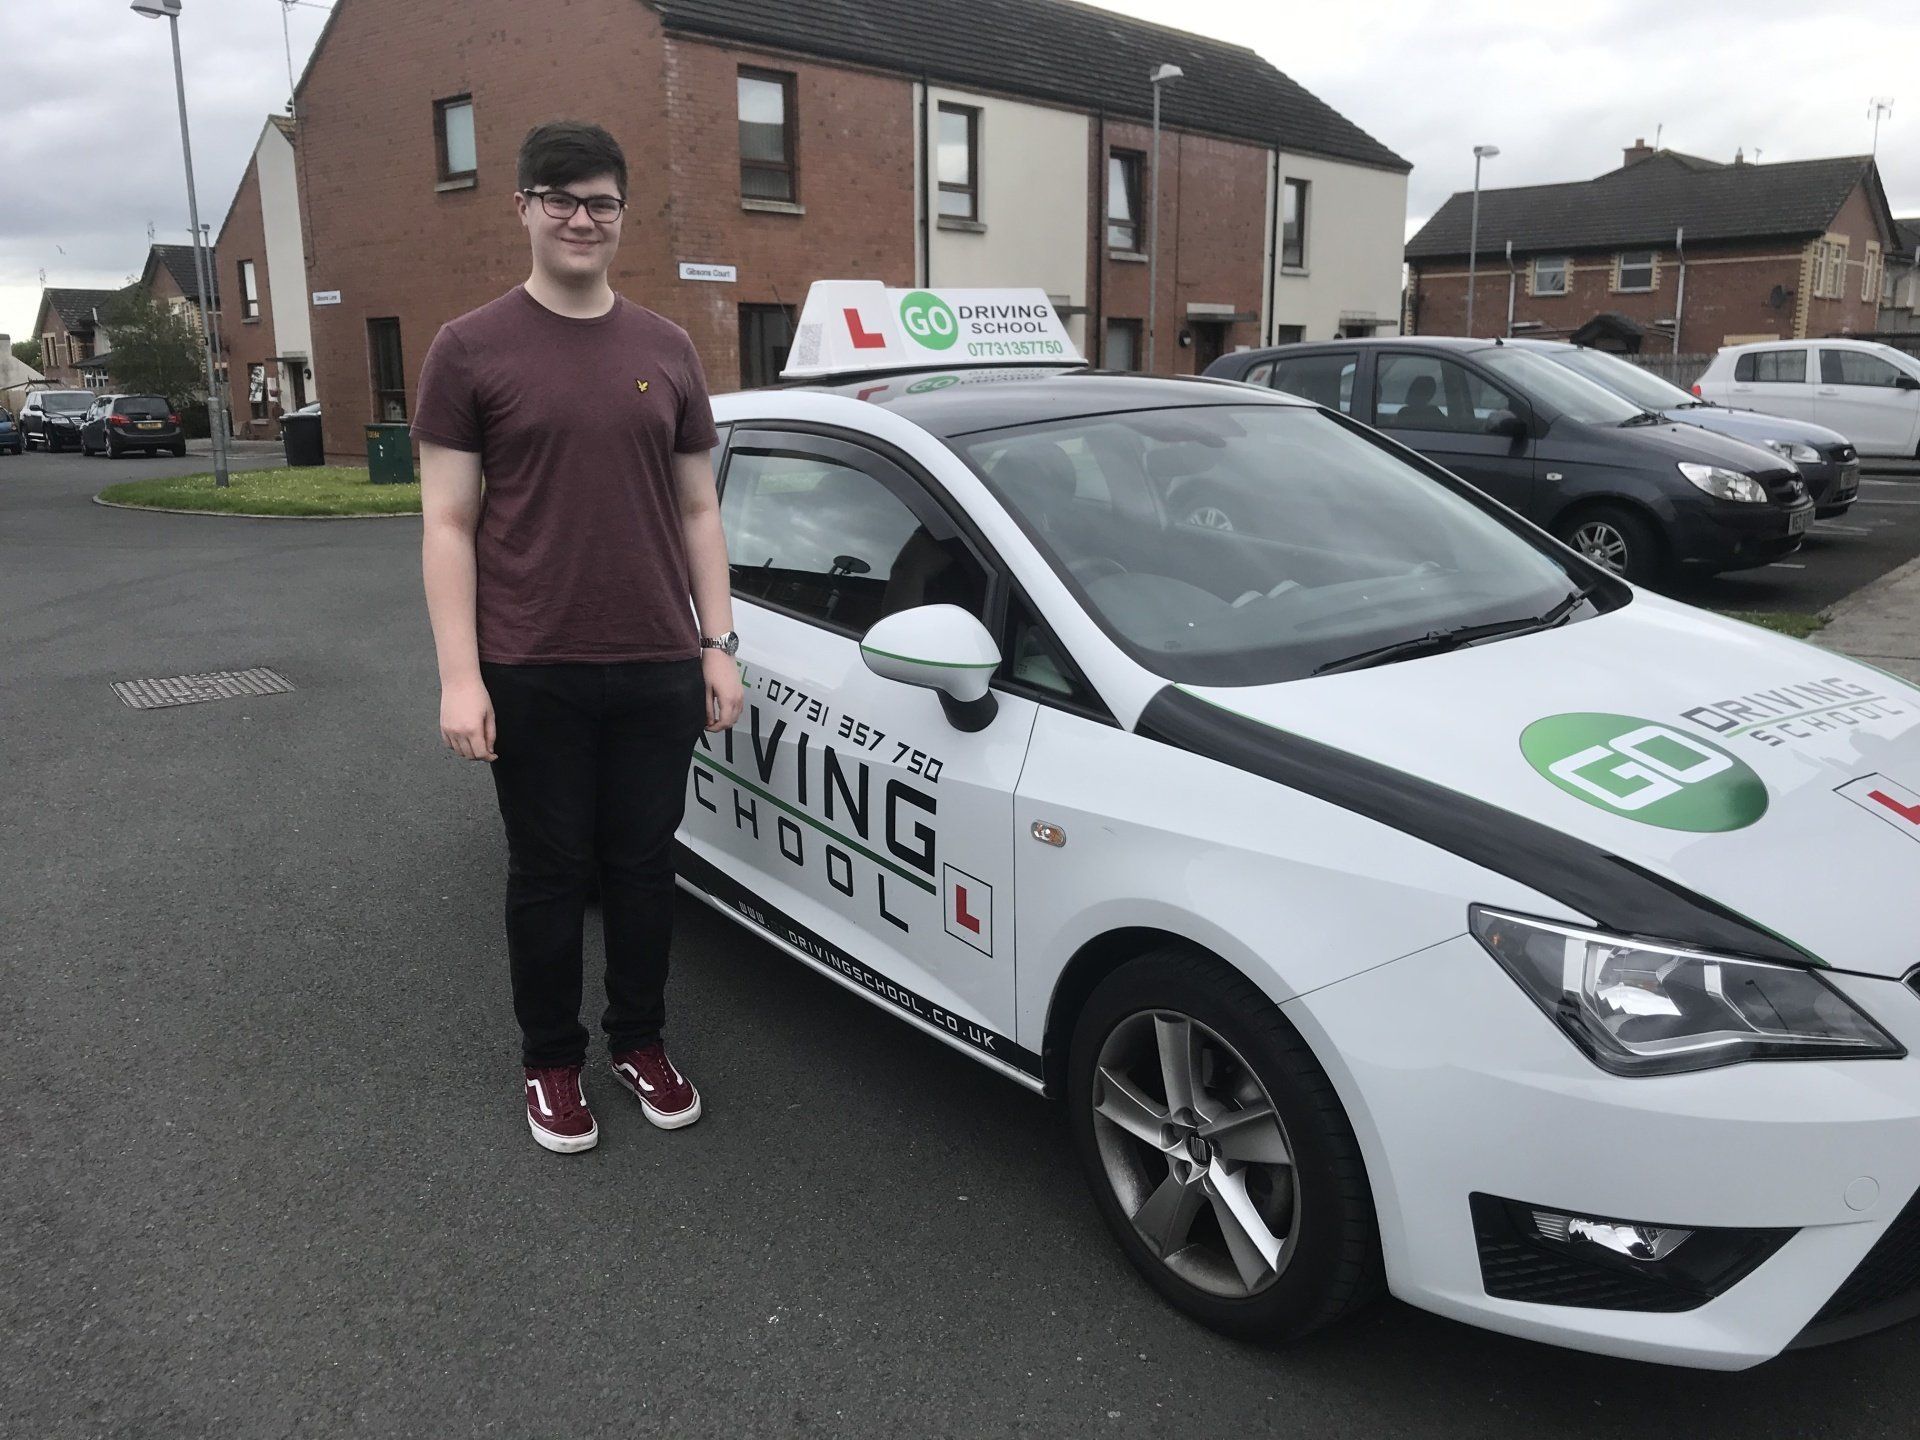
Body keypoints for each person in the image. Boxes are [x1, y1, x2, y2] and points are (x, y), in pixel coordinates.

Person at [414, 120, 744, 1154]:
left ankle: (638, 1041)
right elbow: (447, 523)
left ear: (621, 216)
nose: (580, 217)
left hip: (654, 661)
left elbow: (700, 510)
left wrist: (717, 642)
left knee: (646, 870)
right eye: (558, 196)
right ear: (521, 208)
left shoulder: (667, 347)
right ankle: (551, 1062)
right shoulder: (468, 349)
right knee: (551, 873)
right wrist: (459, 677)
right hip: (532, 664)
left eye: (600, 200)